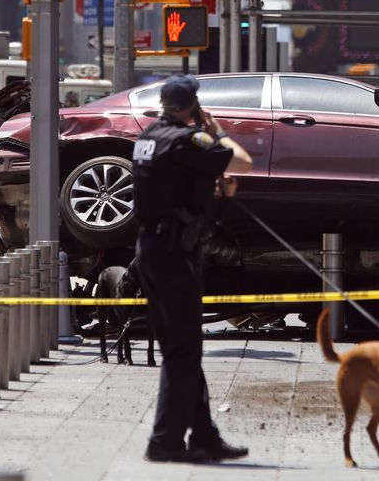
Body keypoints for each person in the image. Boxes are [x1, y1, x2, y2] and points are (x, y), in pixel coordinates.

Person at [132, 74, 253, 464]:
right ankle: (164, 441)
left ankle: (204, 435)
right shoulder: (189, 140)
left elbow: (176, 184)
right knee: (183, 351)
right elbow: (242, 162)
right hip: (173, 255)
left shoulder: (148, 137)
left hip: (149, 249)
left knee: (181, 349)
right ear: (193, 107)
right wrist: (218, 132)